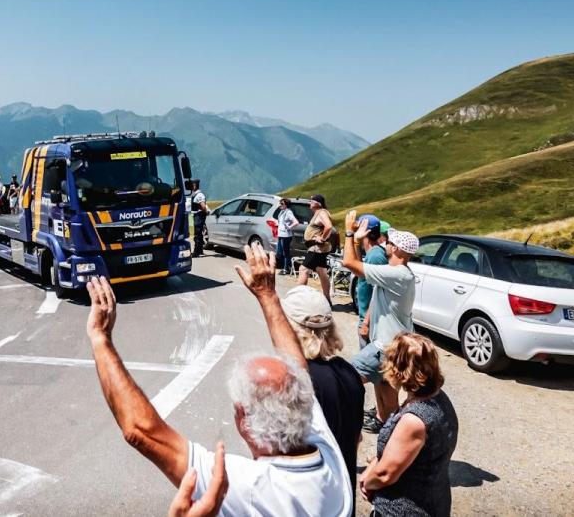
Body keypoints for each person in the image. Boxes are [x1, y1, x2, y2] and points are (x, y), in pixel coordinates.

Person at [87, 243, 352, 516]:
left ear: (244, 421)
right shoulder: (327, 455)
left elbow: (141, 431)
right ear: (302, 404)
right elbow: (298, 369)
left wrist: (100, 337)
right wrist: (267, 295)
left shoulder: (248, 487)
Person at [360, 333, 459, 516]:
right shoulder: (438, 398)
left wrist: (367, 482)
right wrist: (375, 463)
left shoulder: (415, 420)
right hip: (434, 501)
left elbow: (385, 475)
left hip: (404, 510)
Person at [281, 285, 365, 501]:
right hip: (342, 494)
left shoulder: (299, 381)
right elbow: (356, 438)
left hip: (310, 499)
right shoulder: (349, 371)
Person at [339, 210, 419, 433]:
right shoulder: (396, 272)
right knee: (385, 388)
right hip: (393, 345)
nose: (386, 243)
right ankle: (391, 430)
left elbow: (348, 262)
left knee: (343, 379)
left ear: (398, 250)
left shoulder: (397, 274)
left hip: (384, 346)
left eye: (390, 242)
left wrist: (348, 233)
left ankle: (344, 425)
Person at [352, 214, 388, 350]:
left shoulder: (376, 256)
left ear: (365, 231)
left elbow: (378, 293)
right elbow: (358, 269)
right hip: (366, 316)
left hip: (372, 321)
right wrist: (356, 244)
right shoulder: (371, 253)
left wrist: (366, 323)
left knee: (366, 365)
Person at [297, 194, 335, 297]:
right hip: (318, 248)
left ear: (317, 203)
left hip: (317, 248)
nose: (309, 203)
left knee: (303, 269)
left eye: (311, 201)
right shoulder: (319, 213)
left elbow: (329, 226)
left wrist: (322, 238)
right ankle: (327, 298)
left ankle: (298, 297)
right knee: (322, 271)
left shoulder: (322, 213)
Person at [274, 198, 299, 275]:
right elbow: (281, 221)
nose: (280, 205)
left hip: (286, 235)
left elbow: (296, 222)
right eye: (280, 203)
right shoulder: (282, 211)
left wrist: (289, 227)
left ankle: (286, 269)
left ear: (286, 205)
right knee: (279, 252)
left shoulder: (288, 212)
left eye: (282, 204)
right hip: (281, 234)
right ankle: (287, 266)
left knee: (285, 253)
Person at [189, 179, 208, 257]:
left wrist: (205, 211)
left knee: (197, 233)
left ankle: (196, 251)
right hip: (197, 215)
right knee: (199, 234)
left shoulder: (199, 195)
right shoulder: (195, 194)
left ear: (195, 185)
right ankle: (200, 250)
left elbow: (203, 206)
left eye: (192, 185)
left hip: (199, 215)